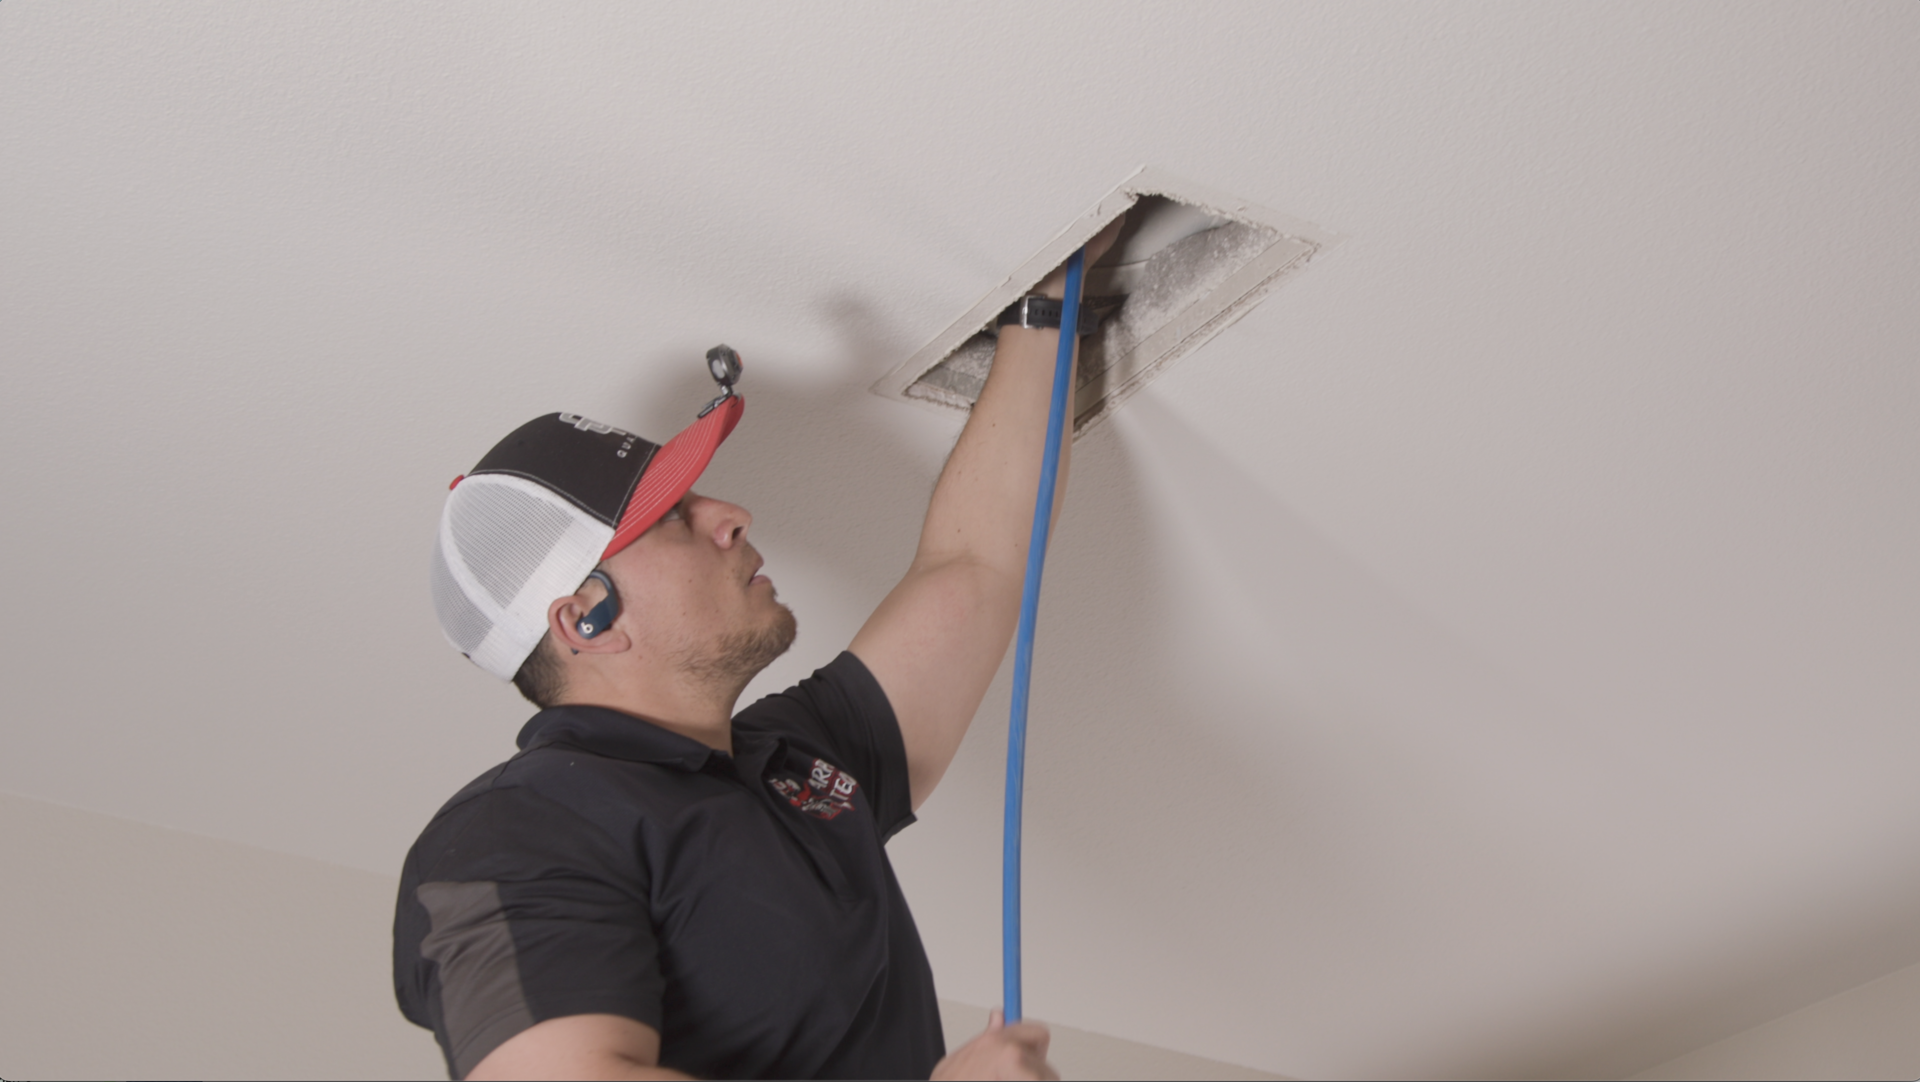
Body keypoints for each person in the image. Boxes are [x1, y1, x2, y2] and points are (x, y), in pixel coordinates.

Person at [394, 221, 1122, 1081]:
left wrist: (1047, 306)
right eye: (673, 519)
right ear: (585, 619)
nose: (730, 512)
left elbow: (974, 568)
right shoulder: (513, 832)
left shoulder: (789, 763)